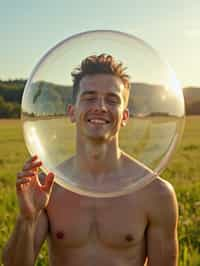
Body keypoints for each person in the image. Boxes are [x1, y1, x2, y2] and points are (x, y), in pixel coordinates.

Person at [2, 54, 178, 266]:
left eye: (112, 100)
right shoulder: (47, 187)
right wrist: (27, 219)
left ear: (124, 117)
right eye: (89, 97)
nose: (100, 106)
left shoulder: (155, 193)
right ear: (72, 112)